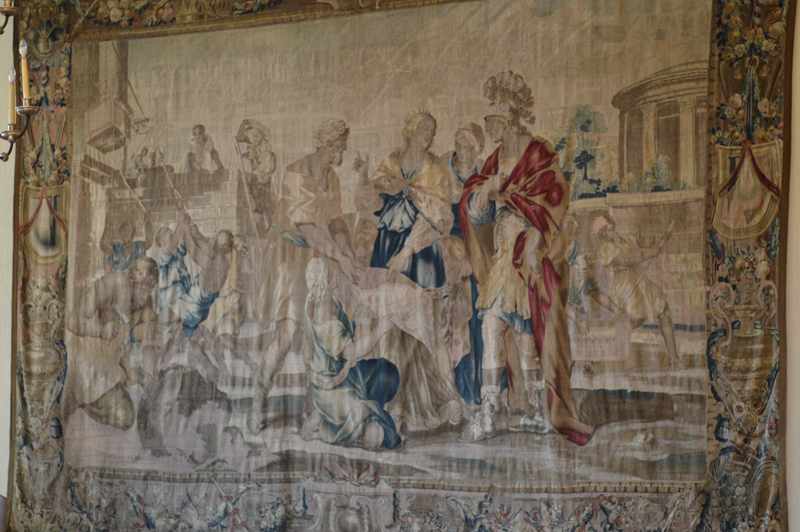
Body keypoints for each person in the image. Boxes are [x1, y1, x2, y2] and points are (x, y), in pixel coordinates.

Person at [459, 71, 593, 445]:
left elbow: (554, 199)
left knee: (522, 336)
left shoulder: (537, 153)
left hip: (528, 255)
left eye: (491, 120)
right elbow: (480, 215)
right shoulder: (494, 160)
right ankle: (491, 412)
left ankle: (535, 410)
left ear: (506, 119)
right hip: (504, 257)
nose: (488, 127)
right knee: (494, 329)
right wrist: (482, 196)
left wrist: (534, 237)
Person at [353, 111, 463, 434]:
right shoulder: (392, 162)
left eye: (433, 130)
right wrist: (362, 176)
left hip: (420, 254)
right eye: (424, 128)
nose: (428, 134)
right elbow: (370, 204)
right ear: (410, 131)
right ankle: (396, 404)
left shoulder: (435, 169)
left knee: (427, 330)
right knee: (391, 328)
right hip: (388, 250)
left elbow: (438, 217)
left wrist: (407, 251)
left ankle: (447, 399)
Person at [249, 119, 358, 433]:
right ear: (328, 144)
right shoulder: (297, 173)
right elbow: (308, 229)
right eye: (340, 145)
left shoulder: (331, 176)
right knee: (288, 333)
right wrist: (338, 255)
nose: (343, 151)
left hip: (315, 254)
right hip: (288, 256)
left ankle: (315, 408)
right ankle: (257, 402)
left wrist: (348, 252)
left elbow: (335, 222)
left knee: (318, 333)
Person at [301, 258, 401, 450]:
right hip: (334, 391)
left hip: (345, 375)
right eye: (333, 273)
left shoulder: (322, 299)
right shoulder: (323, 315)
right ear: (326, 280)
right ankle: (327, 427)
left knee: (386, 371)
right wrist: (380, 329)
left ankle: (363, 417)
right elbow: (353, 352)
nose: (337, 275)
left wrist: (353, 309)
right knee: (381, 434)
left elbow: (341, 338)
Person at [64, 258, 160, 430]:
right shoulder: (109, 284)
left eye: (149, 291)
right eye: (142, 289)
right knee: (123, 416)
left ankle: (86, 399)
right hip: (86, 363)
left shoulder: (144, 301)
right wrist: (100, 331)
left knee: (127, 417)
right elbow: (72, 321)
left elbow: (150, 334)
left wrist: (149, 373)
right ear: (132, 281)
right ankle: (79, 399)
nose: (145, 296)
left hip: (109, 366)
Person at [593, 213, 683, 368]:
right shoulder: (606, 248)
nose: (606, 234)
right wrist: (648, 254)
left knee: (664, 311)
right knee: (631, 322)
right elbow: (626, 260)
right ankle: (598, 360)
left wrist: (660, 241)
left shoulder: (627, 239)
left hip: (641, 281)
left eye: (606, 229)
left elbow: (645, 248)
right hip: (626, 285)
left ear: (612, 224)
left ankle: (673, 358)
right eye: (602, 232)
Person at [441, 123, 489, 406]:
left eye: (469, 147)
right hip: (449, 248)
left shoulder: (484, 172)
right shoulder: (442, 168)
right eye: (460, 145)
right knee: (452, 319)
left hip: (476, 249)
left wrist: (474, 259)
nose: (463, 152)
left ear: (477, 149)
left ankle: (479, 391)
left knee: (477, 319)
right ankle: (455, 392)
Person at [236, 119, 277, 221]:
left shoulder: (253, 132)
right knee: (257, 184)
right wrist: (245, 155)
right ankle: (261, 206)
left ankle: (260, 206)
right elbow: (251, 150)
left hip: (266, 161)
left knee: (254, 181)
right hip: (263, 162)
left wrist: (242, 124)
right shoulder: (253, 139)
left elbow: (239, 138)